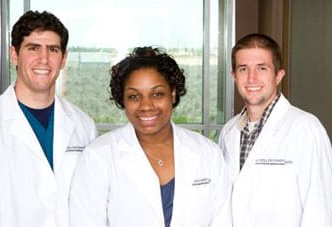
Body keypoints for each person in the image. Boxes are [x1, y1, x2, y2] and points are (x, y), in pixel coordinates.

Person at [0, 10, 97, 227]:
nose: (44, 59)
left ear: (63, 58)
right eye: (33, 48)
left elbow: (93, 202)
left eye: (53, 49)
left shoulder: (84, 125)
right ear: (14, 54)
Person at [69, 46, 232, 227]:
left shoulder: (207, 152)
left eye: (157, 94)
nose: (146, 106)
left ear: (173, 93)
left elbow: (222, 220)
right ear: (123, 99)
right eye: (133, 96)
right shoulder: (99, 155)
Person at [218, 33, 332, 227]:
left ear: (278, 76)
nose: (251, 78)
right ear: (234, 76)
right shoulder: (228, 132)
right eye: (243, 69)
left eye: (262, 68)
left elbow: (321, 212)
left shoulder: (306, 129)